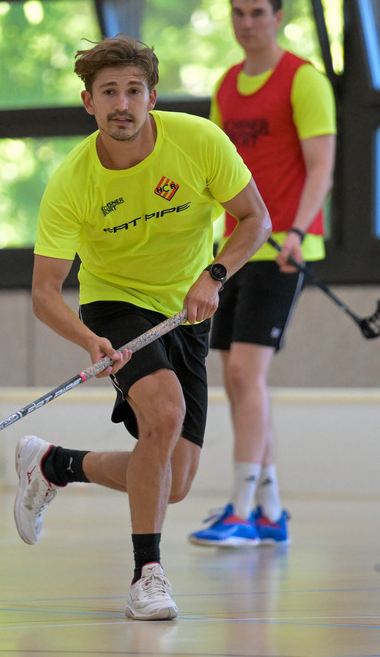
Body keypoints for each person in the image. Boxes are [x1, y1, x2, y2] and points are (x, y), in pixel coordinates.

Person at [17, 33, 270, 620]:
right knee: (163, 413)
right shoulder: (72, 182)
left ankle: (54, 464)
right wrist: (88, 340)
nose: (123, 104)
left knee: (173, 481)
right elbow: (43, 293)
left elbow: (255, 219)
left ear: (152, 96)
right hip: (116, 305)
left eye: (134, 90)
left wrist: (216, 273)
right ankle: (147, 576)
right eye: (109, 92)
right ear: (89, 103)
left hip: (188, 307)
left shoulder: (199, 141)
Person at [187, 0, 336, 548]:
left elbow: (320, 166)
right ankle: (271, 512)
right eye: (238, 12)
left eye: (256, 12)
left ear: (278, 16)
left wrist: (298, 229)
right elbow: (218, 176)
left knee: (248, 374)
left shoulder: (304, 81)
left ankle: (243, 510)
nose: (246, 22)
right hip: (237, 250)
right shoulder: (226, 85)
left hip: (285, 250)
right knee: (236, 376)